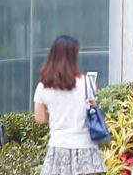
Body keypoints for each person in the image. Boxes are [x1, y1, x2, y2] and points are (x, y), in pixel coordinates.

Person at [33, 35, 106, 175]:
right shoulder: (87, 82)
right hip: (85, 146)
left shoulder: (43, 86)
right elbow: (92, 108)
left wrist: (55, 113)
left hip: (58, 146)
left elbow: (40, 118)